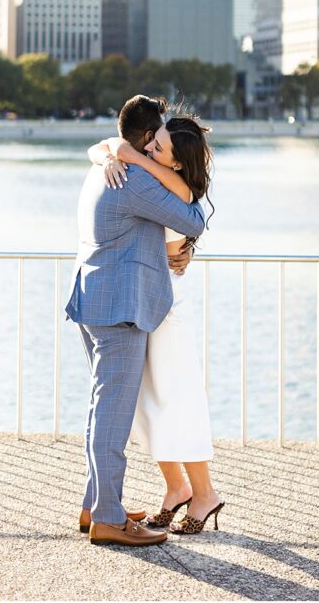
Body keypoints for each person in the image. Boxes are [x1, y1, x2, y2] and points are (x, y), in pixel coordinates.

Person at [65, 97, 206, 547]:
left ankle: (96, 505)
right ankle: (108, 518)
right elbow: (193, 218)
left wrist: (115, 151)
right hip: (120, 310)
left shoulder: (104, 167)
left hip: (95, 299)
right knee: (112, 416)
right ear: (148, 139)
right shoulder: (133, 179)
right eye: (160, 137)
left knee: (100, 410)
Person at [90, 103, 225, 535]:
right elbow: (104, 144)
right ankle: (175, 488)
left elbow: (189, 211)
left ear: (175, 160)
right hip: (145, 302)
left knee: (177, 397)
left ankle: (204, 493)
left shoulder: (173, 189)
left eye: (159, 144)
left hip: (167, 304)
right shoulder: (148, 174)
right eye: (152, 139)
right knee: (148, 405)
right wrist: (112, 151)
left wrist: (125, 156)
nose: (150, 145)